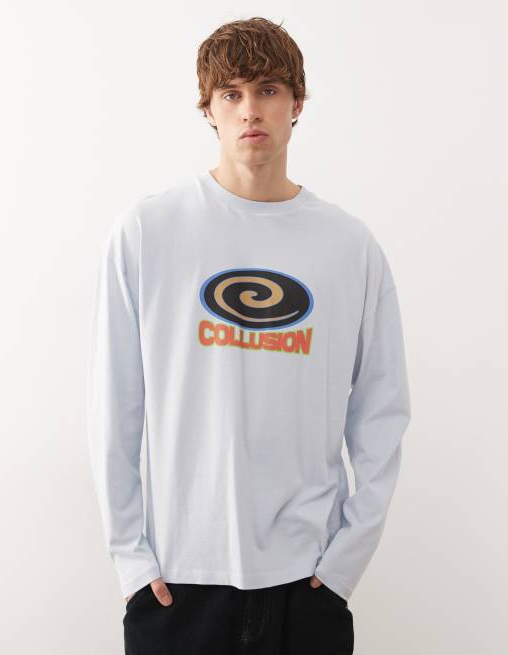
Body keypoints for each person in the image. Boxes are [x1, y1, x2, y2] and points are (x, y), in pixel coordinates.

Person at [87, 16, 411, 655]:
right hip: (177, 584)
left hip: (306, 583)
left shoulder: (349, 247)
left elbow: (382, 410)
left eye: (267, 89)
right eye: (230, 93)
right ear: (208, 109)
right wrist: (131, 561)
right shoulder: (148, 232)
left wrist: (344, 563)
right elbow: (114, 407)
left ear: (298, 102)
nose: (249, 110)